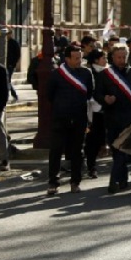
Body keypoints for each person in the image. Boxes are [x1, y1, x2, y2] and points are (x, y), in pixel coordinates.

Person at [97, 44, 131, 193]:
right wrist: (105, 99)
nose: (121, 59)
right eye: (118, 57)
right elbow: (97, 93)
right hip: (111, 117)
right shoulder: (105, 74)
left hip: (129, 118)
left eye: (124, 56)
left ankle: (113, 180)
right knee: (116, 150)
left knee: (122, 149)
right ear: (112, 57)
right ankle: (123, 179)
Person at [46, 46, 93, 195]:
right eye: (76, 58)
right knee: (56, 150)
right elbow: (49, 94)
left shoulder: (86, 73)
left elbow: (89, 92)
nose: (80, 60)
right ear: (67, 59)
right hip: (60, 117)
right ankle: (53, 182)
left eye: (81, 57)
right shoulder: (56, 74)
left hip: (79, 117)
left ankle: (75, 181)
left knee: (77, 151)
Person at [85, 49, 108, 180]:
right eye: (103, 58)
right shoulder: (91, 73)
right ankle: (91, 166)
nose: (105, 60)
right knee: (92, 139)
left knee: (103, 137)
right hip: (94, 111)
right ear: (95, 60)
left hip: (107, 109)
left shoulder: (108, 72)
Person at [6, 30, 20, 102]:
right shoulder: (4, 42)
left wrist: (13, 63)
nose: (7, 35)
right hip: (5, 64)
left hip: (10, 65)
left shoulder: (14, 43)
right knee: (7, 80)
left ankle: (13, 94)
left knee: (7, 80)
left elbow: (18, 54)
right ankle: (12, 94)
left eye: (8, 34)